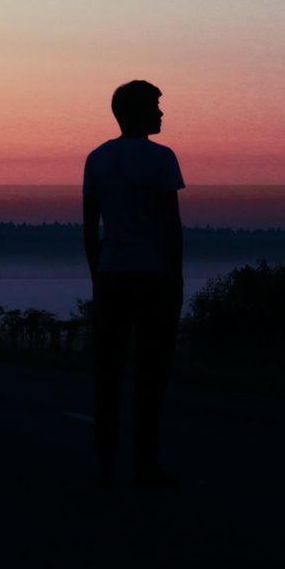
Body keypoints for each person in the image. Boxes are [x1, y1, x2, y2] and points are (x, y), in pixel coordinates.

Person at [83, 79, 185, 488]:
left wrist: (97, 277)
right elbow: (172, 226)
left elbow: (91, 227)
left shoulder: (97, 158)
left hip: (112, 275)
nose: (162, 113)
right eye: (157, 106)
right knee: (150, 374)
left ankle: (104, 466)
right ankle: (145, 464)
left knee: (109, 375)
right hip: (154, 276)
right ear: (139, 111)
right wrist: (176, 277)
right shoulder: (162, 158)